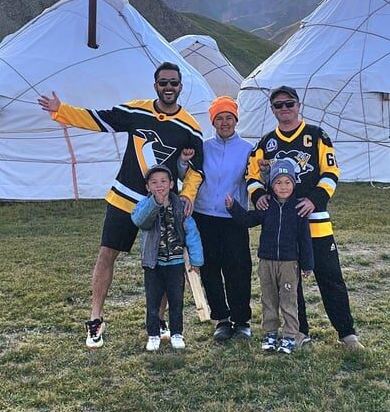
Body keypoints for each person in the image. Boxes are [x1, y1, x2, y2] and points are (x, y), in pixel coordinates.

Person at [38, 62, 205, 348]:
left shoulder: (190, 127)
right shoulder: (137, 111)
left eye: (173, 83)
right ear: (155, 86)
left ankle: (160, 319)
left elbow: (196, 170)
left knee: (164, 261)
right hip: (124, 197)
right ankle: (95, 319)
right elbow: (99, 119)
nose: (168, 88)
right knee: (106, 254)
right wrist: (60, 109)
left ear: (181, 87)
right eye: (163, 83)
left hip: (163, 204)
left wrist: (188, 194)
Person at [246, 85, 362, 349]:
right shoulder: (266, 143)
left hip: (316, 222)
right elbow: (251, 175)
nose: (284, 109)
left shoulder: (317, 136)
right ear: (272, 109)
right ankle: (299, 333)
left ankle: (346, 332)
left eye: (289, 103)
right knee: (290, 284)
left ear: (299, 106)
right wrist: (258, 196)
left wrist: (314, 199)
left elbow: (331, 173)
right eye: (278, 105)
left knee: (330, 277)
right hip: (284, 227)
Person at [225, 158, 313, 355]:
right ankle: (270, 333)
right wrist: (233, 208)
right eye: (278, 182)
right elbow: (247, 220)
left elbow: (305, 239)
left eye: (287, 182)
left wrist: (308, 265)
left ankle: (290, 335)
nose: (283, 187)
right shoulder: (266, 207)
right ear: (271, 185)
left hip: (289, 263)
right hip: (266, 261)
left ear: (293, 183)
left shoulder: (299, 209)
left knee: (289, 300)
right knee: (269, 299)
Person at [190, 96, 255, 342]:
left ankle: (242, 320)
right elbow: (189, 174)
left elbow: (254, 179)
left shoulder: (248, 149)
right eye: (220, 118)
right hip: (204, 215)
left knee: (237, 269)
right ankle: (222, 319)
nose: (225, 122)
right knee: (210, 269)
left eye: (229, 117)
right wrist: (183, 162)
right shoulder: (203, 147)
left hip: (232, 217)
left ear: (236, 120)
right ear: (213, 122)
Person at [132, 165, 203, 351]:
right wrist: (155, 202)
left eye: (164, 181)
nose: (159, 185)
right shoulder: (144, 205)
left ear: (171, 184)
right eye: (154, 182)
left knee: (176, 301)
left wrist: (196, 261)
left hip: (176, 262)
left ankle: (177, 333)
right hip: (153, 264)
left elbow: (192, 234)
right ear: (148, 187)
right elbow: (140, 221)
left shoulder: (180, 207)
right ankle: (153, 334)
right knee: (153, 301)